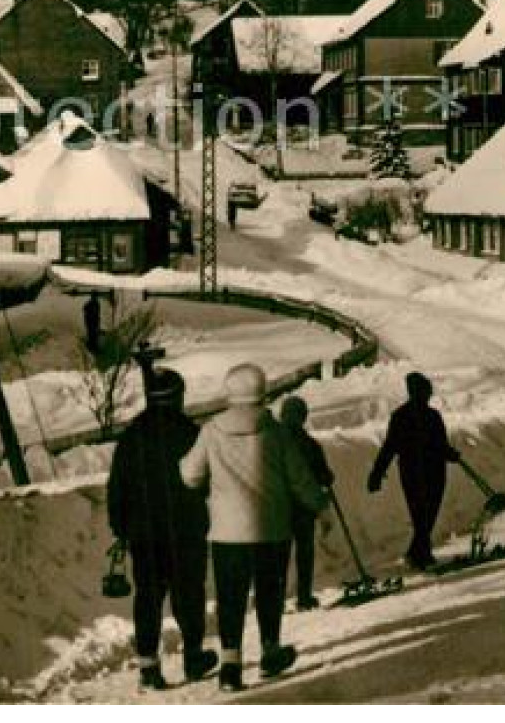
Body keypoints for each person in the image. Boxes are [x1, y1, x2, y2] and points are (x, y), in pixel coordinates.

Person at [180, 364, 327, 692]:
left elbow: (190, 475)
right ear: (262, 393)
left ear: (230, 393)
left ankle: (230, 667)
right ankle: (270, 652)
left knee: (230, 598)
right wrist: (320, 505)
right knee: (268, 594)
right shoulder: (276, 433)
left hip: (227, 533)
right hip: (272, 529)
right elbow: (300, 481)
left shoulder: (210, 431)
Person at [106, 368, 217, 691]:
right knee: (189, 594)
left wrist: (121, 528)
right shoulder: (190, 432)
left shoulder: (132, 436)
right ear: (177, 397)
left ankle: (149, 668)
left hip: (145, 534)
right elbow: (206, 480)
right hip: (186, 530)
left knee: (148, 599)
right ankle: (194, 657)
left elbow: (117, 488)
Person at [368, 372, 458, 571]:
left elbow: (440, 445)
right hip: (421, 472)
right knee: (423, 514)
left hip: (420, 471)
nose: (426, 394)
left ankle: (417, 552)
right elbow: (390, 446)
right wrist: (377, 472)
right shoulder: (410, 416)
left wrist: (450, 454)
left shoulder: (424, 416)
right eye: (424, 391)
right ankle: (420, 554)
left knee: (425, 513)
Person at [279, 396, 334, 610]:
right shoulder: (310, 445)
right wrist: (327, 479)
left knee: (278, 555)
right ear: (303, 417)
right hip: (304, 507)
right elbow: (324, 476)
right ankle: (303, 596)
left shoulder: (270, 442)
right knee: (304, 552)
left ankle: (275, 599)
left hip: (278, 507)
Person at [83, 293, 103, 361]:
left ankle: (94, 348)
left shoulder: (97, 304)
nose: (95, 298)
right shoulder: (90, 304)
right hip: (90, 322)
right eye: (94, 297)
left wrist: (98, 322)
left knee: (94, 335)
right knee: (91, 334)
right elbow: (85, 309)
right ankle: (91, 347)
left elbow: (98, 314)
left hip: (94, 322)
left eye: (95, 297)